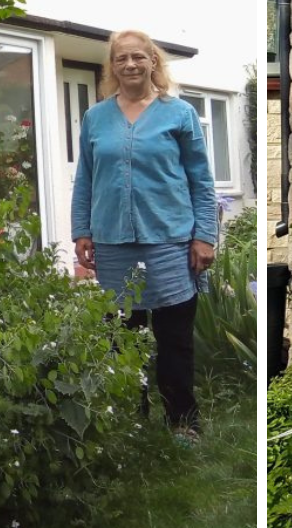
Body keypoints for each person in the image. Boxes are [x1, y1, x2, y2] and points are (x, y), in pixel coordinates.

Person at [72, 29, 218, 441]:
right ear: (112, 66)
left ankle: (182, 424)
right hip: (114, 245)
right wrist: (82, 229)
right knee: (122, 338)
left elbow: (201, 182)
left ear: (153, 61)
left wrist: (204, 235)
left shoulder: (179, 114)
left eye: (139, 57)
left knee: (174, 339)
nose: (131, 65)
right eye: (122, 59)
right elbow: (86, 176)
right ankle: (131, 423)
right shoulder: (95, 118)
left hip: (169, 243)